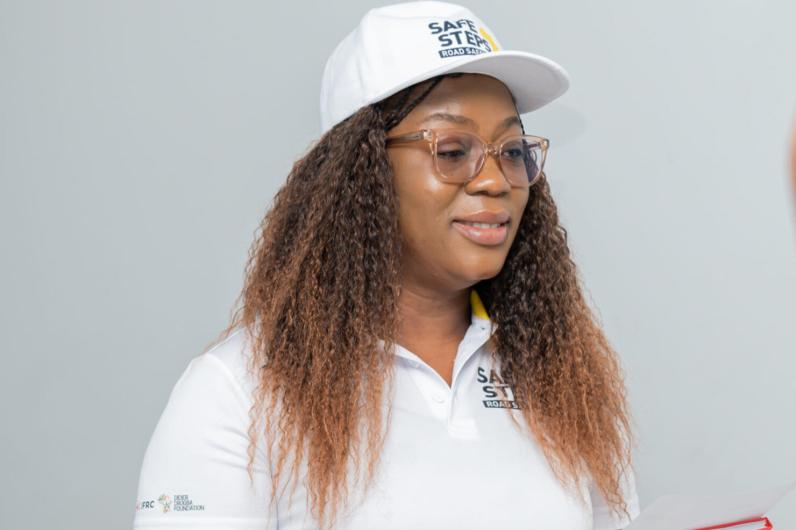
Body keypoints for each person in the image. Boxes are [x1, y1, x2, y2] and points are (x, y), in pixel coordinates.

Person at [132, 2, 641, 529]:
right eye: (452, 150)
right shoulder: (239, 392)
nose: (495, 180)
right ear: (361, 171)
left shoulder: (565, 381)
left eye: (512, 150)